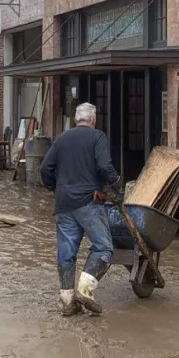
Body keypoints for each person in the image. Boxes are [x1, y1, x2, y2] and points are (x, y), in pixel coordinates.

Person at [40, 102, 120, 316]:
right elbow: (104, 166)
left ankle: (67, 300)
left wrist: (54, 188)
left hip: (63, 203)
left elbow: (45, 168)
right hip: (88, 201)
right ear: (93, 120)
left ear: (76, 119)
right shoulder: (97, 137)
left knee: (67, 252)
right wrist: (116, 183)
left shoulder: (61, 138)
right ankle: (85, 289)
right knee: (103, 247)